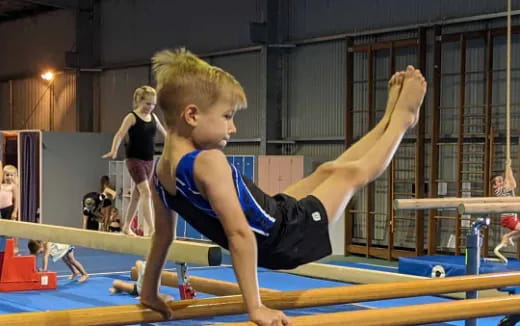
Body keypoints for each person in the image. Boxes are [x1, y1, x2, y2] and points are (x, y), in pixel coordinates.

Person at [140, 48, 426, 325]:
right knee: (350, 175)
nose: (233, 128)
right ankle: (402, 120)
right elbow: (239, 234)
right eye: (227, 116)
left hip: (276, 214)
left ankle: (386, 119)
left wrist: (148, 292)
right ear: (191, 115)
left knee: (328, 170)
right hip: (286, 237)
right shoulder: (206, 161)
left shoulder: (158, 173)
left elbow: (163, 237)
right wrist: (256, 307)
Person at [103, 86, 167, 236]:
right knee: (146, 192)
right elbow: (119, 135)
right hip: (134, 160)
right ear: (139, 101)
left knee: (137, 195)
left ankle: (126, 227)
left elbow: (166, 135)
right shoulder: (132, 117)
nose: (150, 107)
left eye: (153, 104)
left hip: (149, 160)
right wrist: (114, 150)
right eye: (147, 104)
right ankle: (151, 229)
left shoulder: (154, 118)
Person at [491, 159, 518, 247]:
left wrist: (508, 167)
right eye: (499, 181)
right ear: (495, 186)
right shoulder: (499, 190)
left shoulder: (503, 189)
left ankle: (509, 237)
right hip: (508, 217)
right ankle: (507, 236)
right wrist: (508, 167)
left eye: (501, 180)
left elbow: (510, 181)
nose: (502, 182)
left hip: (512, 216)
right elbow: (513, 184)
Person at [0, 165, 19, 253]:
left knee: (13, 228)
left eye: (12, 175)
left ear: (15, 176)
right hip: (1, 210)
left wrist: (15, 211)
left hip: (9, 209)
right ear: (3, 175)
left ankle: (15, 246)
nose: (9, 177)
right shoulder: (1, 186)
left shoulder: (13, 186)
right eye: (7, 175)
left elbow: (16, 200)